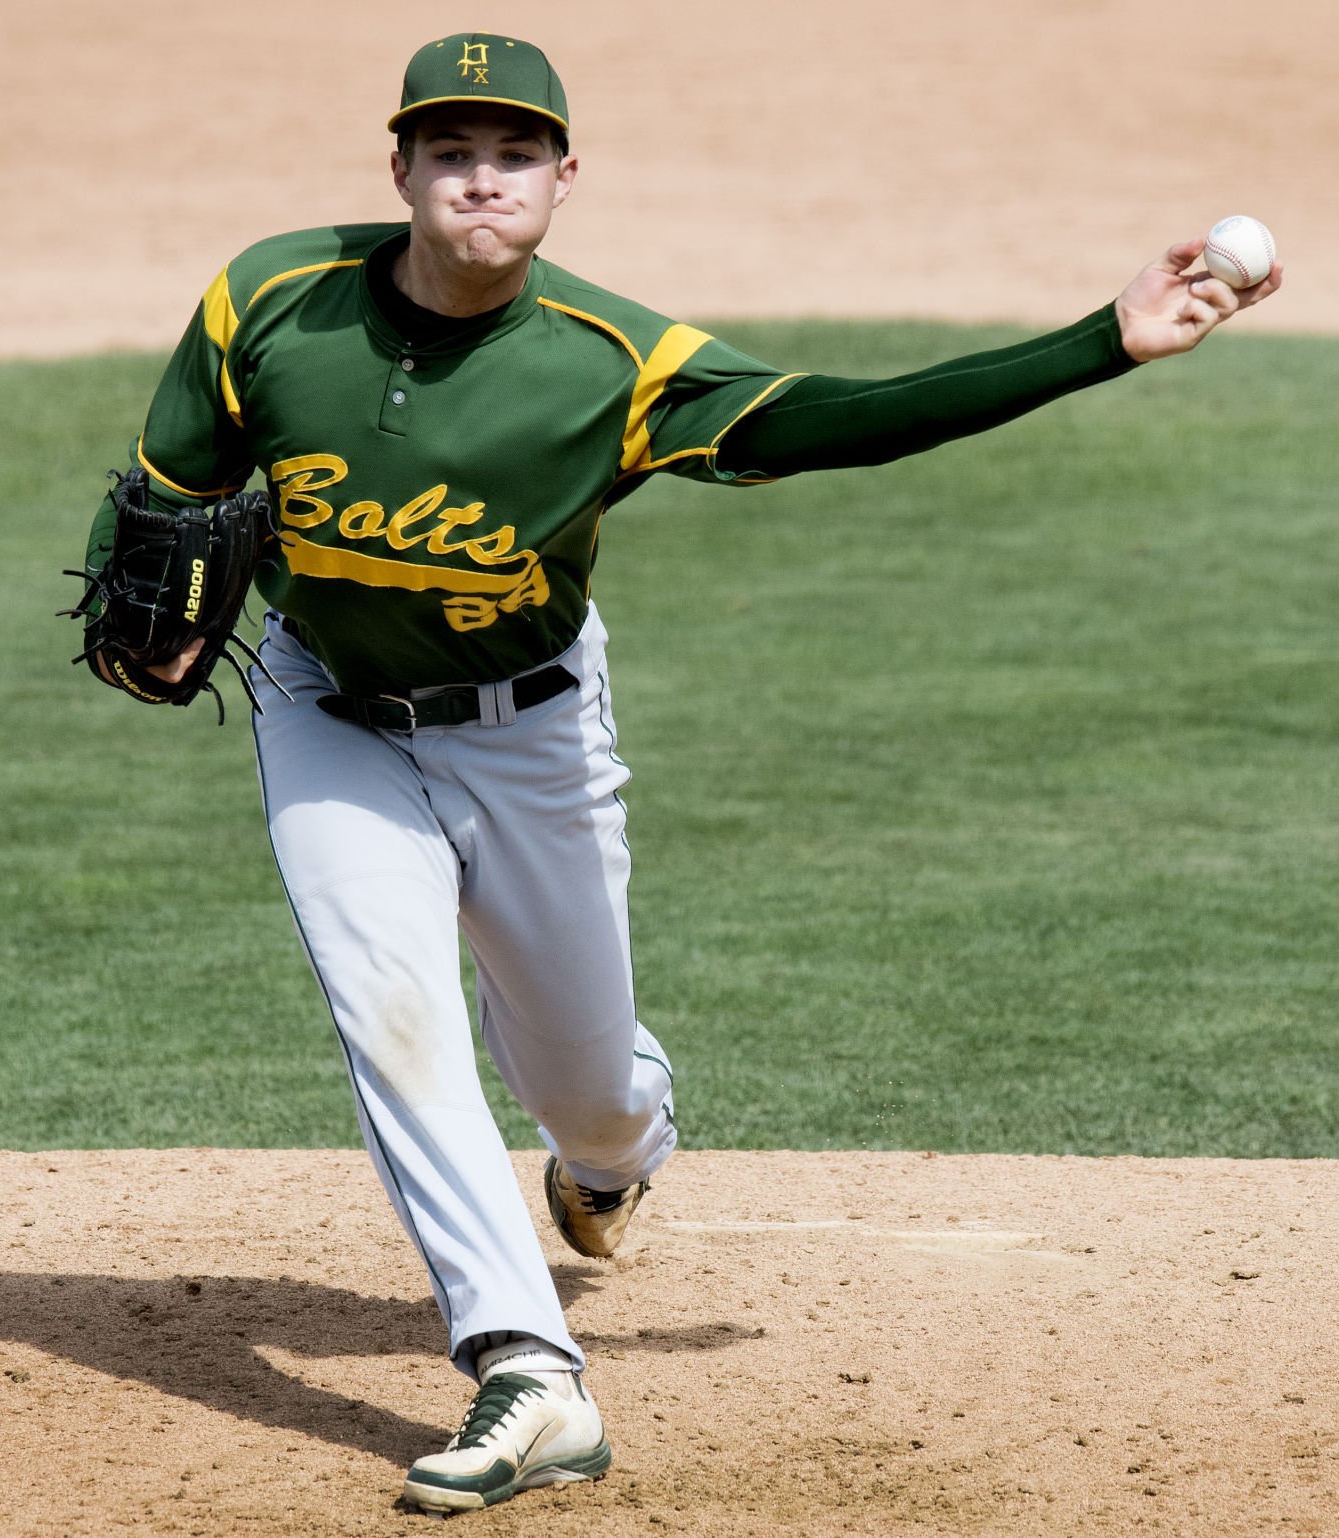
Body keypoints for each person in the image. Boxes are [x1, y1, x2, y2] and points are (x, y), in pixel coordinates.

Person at [80, 33, 1280, 1516]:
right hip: (328, 715)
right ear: (396, 168)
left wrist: (1104, 335)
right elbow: (174, 495)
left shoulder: (612, 363)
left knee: (585, 1089)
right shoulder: (266, 302)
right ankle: (527, 1368)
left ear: (563, 179)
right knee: (390, 1012)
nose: (478, 176)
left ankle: (612, 1152)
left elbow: (839, 419)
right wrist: (171, 605)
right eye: (447, 149)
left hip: (529, 733)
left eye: (512, 152)